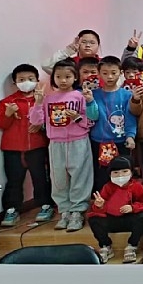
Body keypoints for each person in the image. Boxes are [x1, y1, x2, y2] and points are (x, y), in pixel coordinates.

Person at [29, 59, 96, 232]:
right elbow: (36, 121)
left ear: (75, 77)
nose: (63, 80)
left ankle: (78, 212)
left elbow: (91, 120)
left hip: (78, 142)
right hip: (56, 143)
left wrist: (77, 117)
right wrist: (37, 103)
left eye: (67, 76)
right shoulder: (48, 98)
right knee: (58, 178)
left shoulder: (80, 96)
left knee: (80, 176)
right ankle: (64, 211)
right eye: (58, 77)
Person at [0, 63, 52, 226]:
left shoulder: (44, 100)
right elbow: (0, 124)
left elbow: (52, 122)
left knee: (40, 178)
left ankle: (45, 205)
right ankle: (11, 209)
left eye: (30, 78)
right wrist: (8, 114)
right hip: (12, 149)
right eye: (21, 79)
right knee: (13, 180)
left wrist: (41, 126)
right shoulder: (7, 102)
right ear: (15, 83)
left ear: (37, 80)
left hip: (37, 147)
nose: (26, 82)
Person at [88, 156, 143, 264]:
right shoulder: (107, 187)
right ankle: (106, 246)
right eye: (116, 172)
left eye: (124, 171)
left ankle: (132, 246)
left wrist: (133, 208)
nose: (120, 175)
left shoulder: (136, 186)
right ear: (110, 174)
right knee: (93, 219)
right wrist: (100, 206)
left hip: (129, 220)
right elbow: (98, 211)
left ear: (131, 172)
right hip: (112, 220)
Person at [89, 56, 136, 191]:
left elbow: (130, 117)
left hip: (121, 141)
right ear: (99, 74)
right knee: (101, 175)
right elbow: (91, 116)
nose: (109, 77)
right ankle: (102, 200)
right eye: (105, 73)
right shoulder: (93, 95)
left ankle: (124, 199)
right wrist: (89, 101)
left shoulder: (126, 95)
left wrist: (130, 136)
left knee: (123, 174)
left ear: (120, 73)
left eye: (113, 73)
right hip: (98, 141)